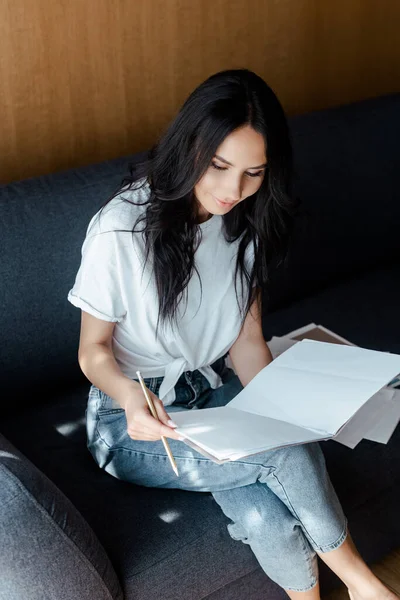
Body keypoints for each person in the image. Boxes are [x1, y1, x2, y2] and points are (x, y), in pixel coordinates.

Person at [68, 68, 396, 600]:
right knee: (286, 453)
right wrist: (130, 396)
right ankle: (365, 587)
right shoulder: (120, 229)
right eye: (219, 166)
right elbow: (92, 350)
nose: (232, 190)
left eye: (253, 173)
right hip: (133, 417)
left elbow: (246, 343)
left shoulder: (245, 223)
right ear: (190, 145)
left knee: (266, 511)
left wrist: (285, 405)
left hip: (213, 391)